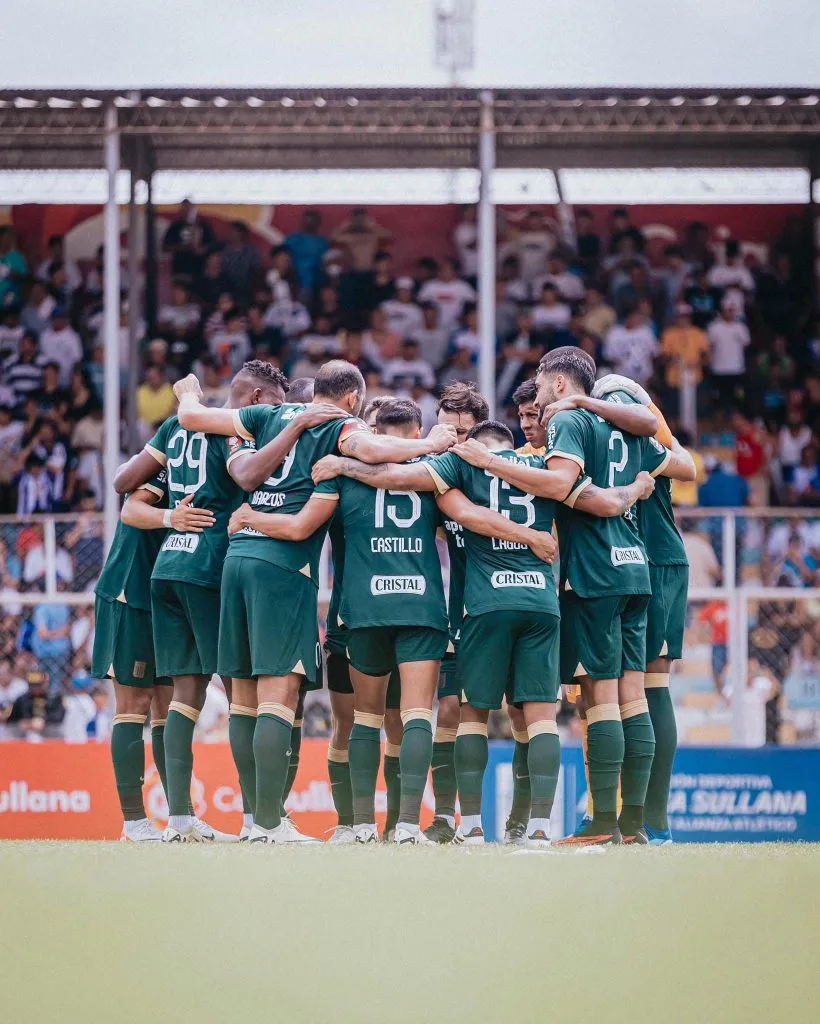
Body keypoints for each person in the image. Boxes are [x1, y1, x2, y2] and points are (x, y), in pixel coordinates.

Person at [171, 359, 458, 844]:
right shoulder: (338, 425)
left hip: (236, 560)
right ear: (352, 400)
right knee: (276, 697)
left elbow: (194, 420)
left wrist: (187, 393)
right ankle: (269, 823)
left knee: (242, 699)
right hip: (283, 569)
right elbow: (371, 449)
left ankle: (252, 821)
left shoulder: (267, 415)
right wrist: (430, 444)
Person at [477, 347, 693, 845]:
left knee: (600, 699)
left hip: (592, 572)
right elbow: (675, 462)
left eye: (539, 378)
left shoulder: (570, 422)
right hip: (636, 569)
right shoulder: (632, 428)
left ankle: (601, 824)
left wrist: (488, 461)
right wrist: (637, 486)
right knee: (634, 696)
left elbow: (559, 482)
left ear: (556, 384)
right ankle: (636, 824)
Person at [113, 360, 290, 842]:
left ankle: (180, 821)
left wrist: (169, 515)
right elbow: (249, 478)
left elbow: (124, 484)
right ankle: (259, 819)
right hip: (211, 566)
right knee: (242, 694)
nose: (277, 415)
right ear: (256, 399)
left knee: (182, 696)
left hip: (166, 566)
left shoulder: (176, 426)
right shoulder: (235, 433)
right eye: (275, 405)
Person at [591, 374, 693, 845]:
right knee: (619, 690)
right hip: (633, 562)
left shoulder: (639, 439)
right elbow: (687, 463)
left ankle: (650, 817)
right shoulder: (642, 443)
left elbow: (688, 465)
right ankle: (615, 816)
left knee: (646, 686)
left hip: (653, 561)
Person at [94, 469, 217, 840]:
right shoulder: (167, 459)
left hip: (166, 593)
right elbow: (129, 506)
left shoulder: (212, 463)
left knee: (170, 702)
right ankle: (134, 821)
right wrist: (170, 517)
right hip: (129, 592)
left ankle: (181, 819)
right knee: (134, 702)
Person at [707, 300, 750, 409]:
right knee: (719, 401)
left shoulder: (741, 327)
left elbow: (745, 345)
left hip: (737, 369)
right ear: (723, 310)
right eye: (728, 310)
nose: (730, 313)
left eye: (732, 310)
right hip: (719, 369)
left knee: (738, 400)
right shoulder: (714, 327)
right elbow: (710, 347)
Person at [417, 258, 476, 335]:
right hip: (434, 329)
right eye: (441, 269)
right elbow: (420, 304)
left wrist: (463, 318)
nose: (443, 271)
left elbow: (473, 305)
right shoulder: (429, 285)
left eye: (446, 269)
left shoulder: (463, 287)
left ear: (454, 271)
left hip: (456, 327)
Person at [162, 200, 215, 281]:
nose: (186, 212)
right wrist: (183, 248)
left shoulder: (204, 226)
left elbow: (213, 244)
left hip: (200, 271)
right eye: (184, 209)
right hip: (181, 270)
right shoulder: (175, 227)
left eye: (189, 209)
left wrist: (203, 249)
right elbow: (165, 247)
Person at [284, 209, 329, 299]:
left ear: (318, 222)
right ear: (303, 221)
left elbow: (326, 262)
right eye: (308, 219)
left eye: (313, 220)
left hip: (317, 283)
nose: (310, 222)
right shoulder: (293, 239)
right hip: (296, 282)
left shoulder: (322, 242)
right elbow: (284, 259)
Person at [38, 308, 82, 389]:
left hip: (66, 381)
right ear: (52, 319)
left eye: (61, 318)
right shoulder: (44, 335)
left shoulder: (72, 336)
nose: (58, 320)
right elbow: (41, 357)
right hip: (47, 380)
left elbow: (77, 360)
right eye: (56, 318)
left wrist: (74, 379)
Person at [221, 221, 262, 306]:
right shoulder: (224, 251)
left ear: (242, 234)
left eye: (233, 231)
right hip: (225, 290)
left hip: (246, 292)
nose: (230, 234)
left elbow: (257, 272)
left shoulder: (252, 252)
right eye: (230, 231)